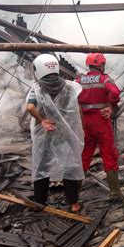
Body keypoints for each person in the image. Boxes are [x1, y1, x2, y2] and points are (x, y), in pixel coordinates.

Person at [26, 54, 85, 213]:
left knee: (42, 165)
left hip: (44, 132)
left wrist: (42, 120)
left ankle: (40, 202)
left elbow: (30, 107)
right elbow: (75, 109)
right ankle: (73, 204)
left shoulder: (37, 87)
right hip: (64, 130)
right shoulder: (69, 87)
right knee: (69, 164)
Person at [77, 53, 121, 200]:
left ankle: (74, 193)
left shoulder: (78, 80)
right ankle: (115, 193)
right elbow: (114, 93)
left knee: (84, 155)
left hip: (85, 122)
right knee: (109, 154)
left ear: (88, 65)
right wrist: (110, 106)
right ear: (101, 65)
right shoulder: (104, 79)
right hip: (101, 120)